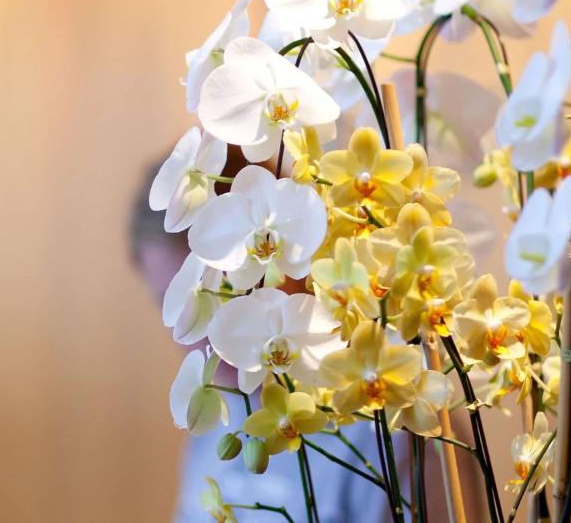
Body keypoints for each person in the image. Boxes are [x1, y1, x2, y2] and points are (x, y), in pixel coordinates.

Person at [130, 147, 481, 522]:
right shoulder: (216, 412)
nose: (212, 337)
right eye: (185, 313)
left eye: (227, 295)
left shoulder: (398, 411)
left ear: (291, 253)